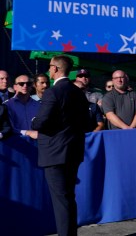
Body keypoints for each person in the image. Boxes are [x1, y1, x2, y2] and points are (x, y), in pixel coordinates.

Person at [31, 55, 90, 236]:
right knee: (68, 197)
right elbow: (86, 122)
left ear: (55, 68)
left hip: (54, 152)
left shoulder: (53, 92)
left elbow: (41, 122)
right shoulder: (78, 92)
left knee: (61, 200)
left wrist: (34, 121)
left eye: (50, 66)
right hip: (73, 150)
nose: (49, 69)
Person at [6, 74, 40, 139]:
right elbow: (8, 128)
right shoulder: (7, 105)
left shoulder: (38, 105)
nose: (25, 86)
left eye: (28, 84)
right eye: (21, 84)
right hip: (16, 142)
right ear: (15, 87)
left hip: (36, 143)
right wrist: (28, 133)